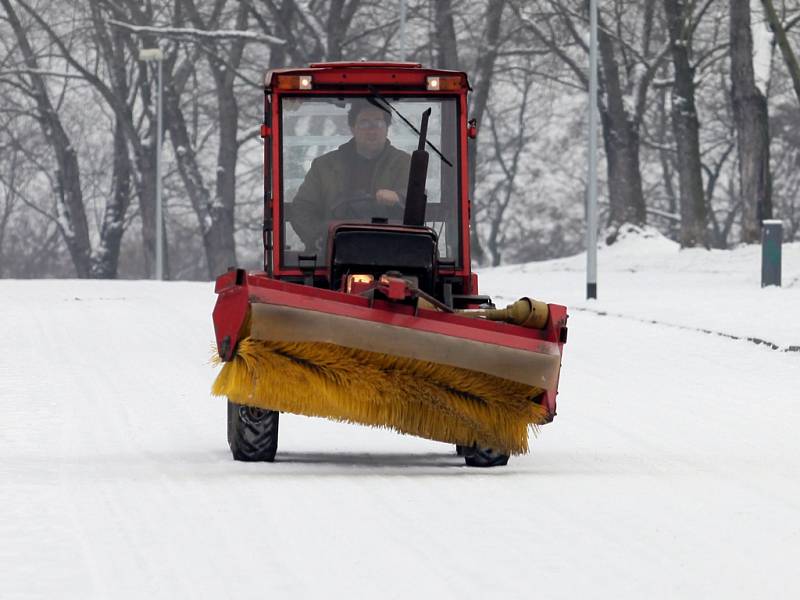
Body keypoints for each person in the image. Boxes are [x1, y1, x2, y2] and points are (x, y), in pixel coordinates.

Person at [289, 100, 411, 252]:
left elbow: (416, 202)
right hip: (334, 253)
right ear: (353, 128)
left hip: (392, 252)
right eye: (364, 123)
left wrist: (398, 198)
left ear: (387, 128)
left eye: (378, 123)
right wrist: (319, 238)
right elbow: (302, 209)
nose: (372, 130)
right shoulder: (324, 166)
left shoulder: (404, 163)